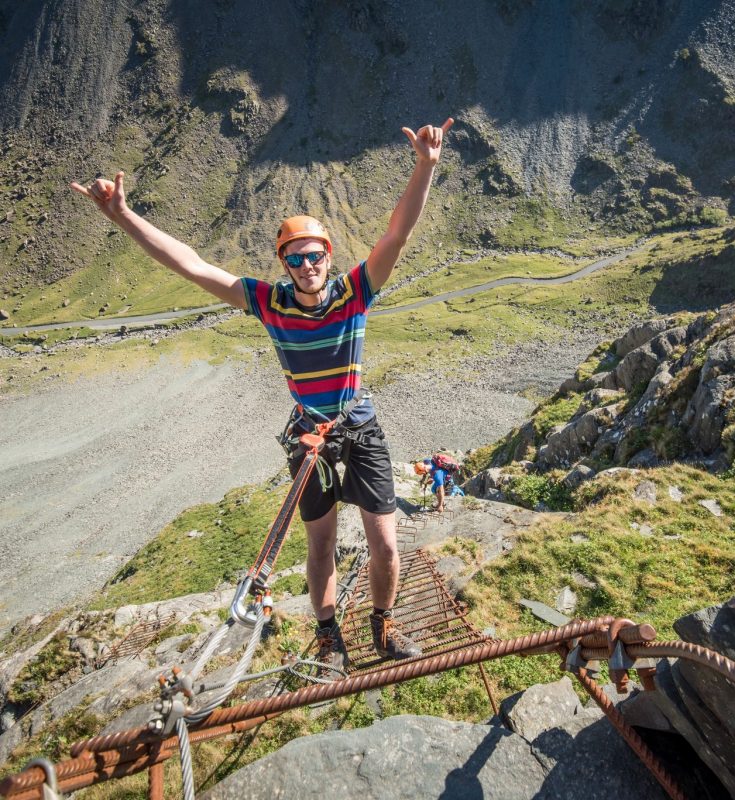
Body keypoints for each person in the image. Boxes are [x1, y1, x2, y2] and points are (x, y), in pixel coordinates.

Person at [71, 117, 454, 676]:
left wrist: (424, 166)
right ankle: (329, 637)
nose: (306, 266)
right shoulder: (269, 303)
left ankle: (383, 625)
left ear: (328, 254)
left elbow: (396, 234)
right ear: (284, 265)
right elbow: (192, 265)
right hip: (310, 436)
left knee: (386, 545)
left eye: (314, 255)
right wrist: (124, 216)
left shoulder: (355, 290)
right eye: (294, 259)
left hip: (358, 423)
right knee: (319, 545)